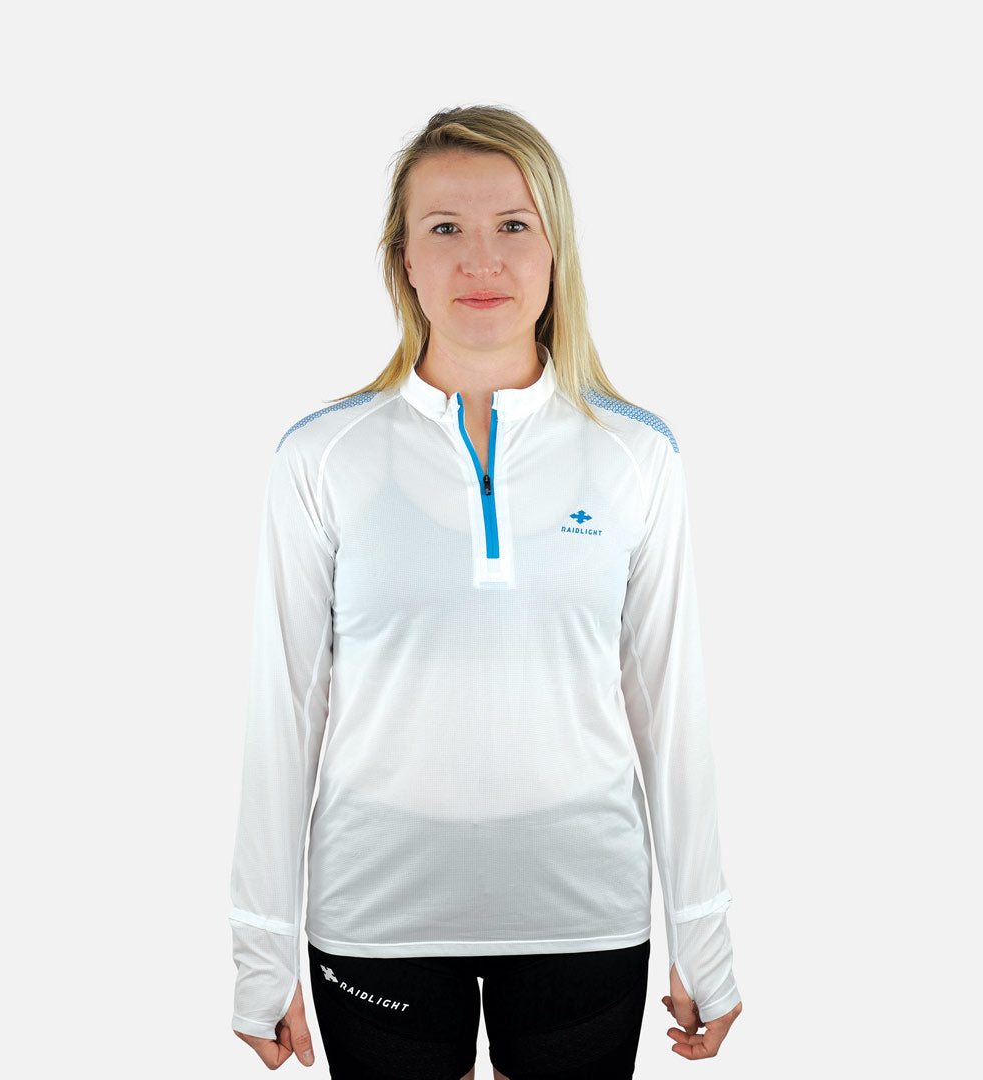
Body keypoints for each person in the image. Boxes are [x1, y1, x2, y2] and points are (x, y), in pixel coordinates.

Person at [228, 104, 743, 1079]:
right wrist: (261, 952)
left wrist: (702, 935)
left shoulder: (635, 456)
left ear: (555, 250)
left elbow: (670, 709)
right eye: (444, 228)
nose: (481, 261)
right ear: (403, 260)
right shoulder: (321, 459)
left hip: (582, 913)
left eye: (513, 225)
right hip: (378, 917)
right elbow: (283, 712)